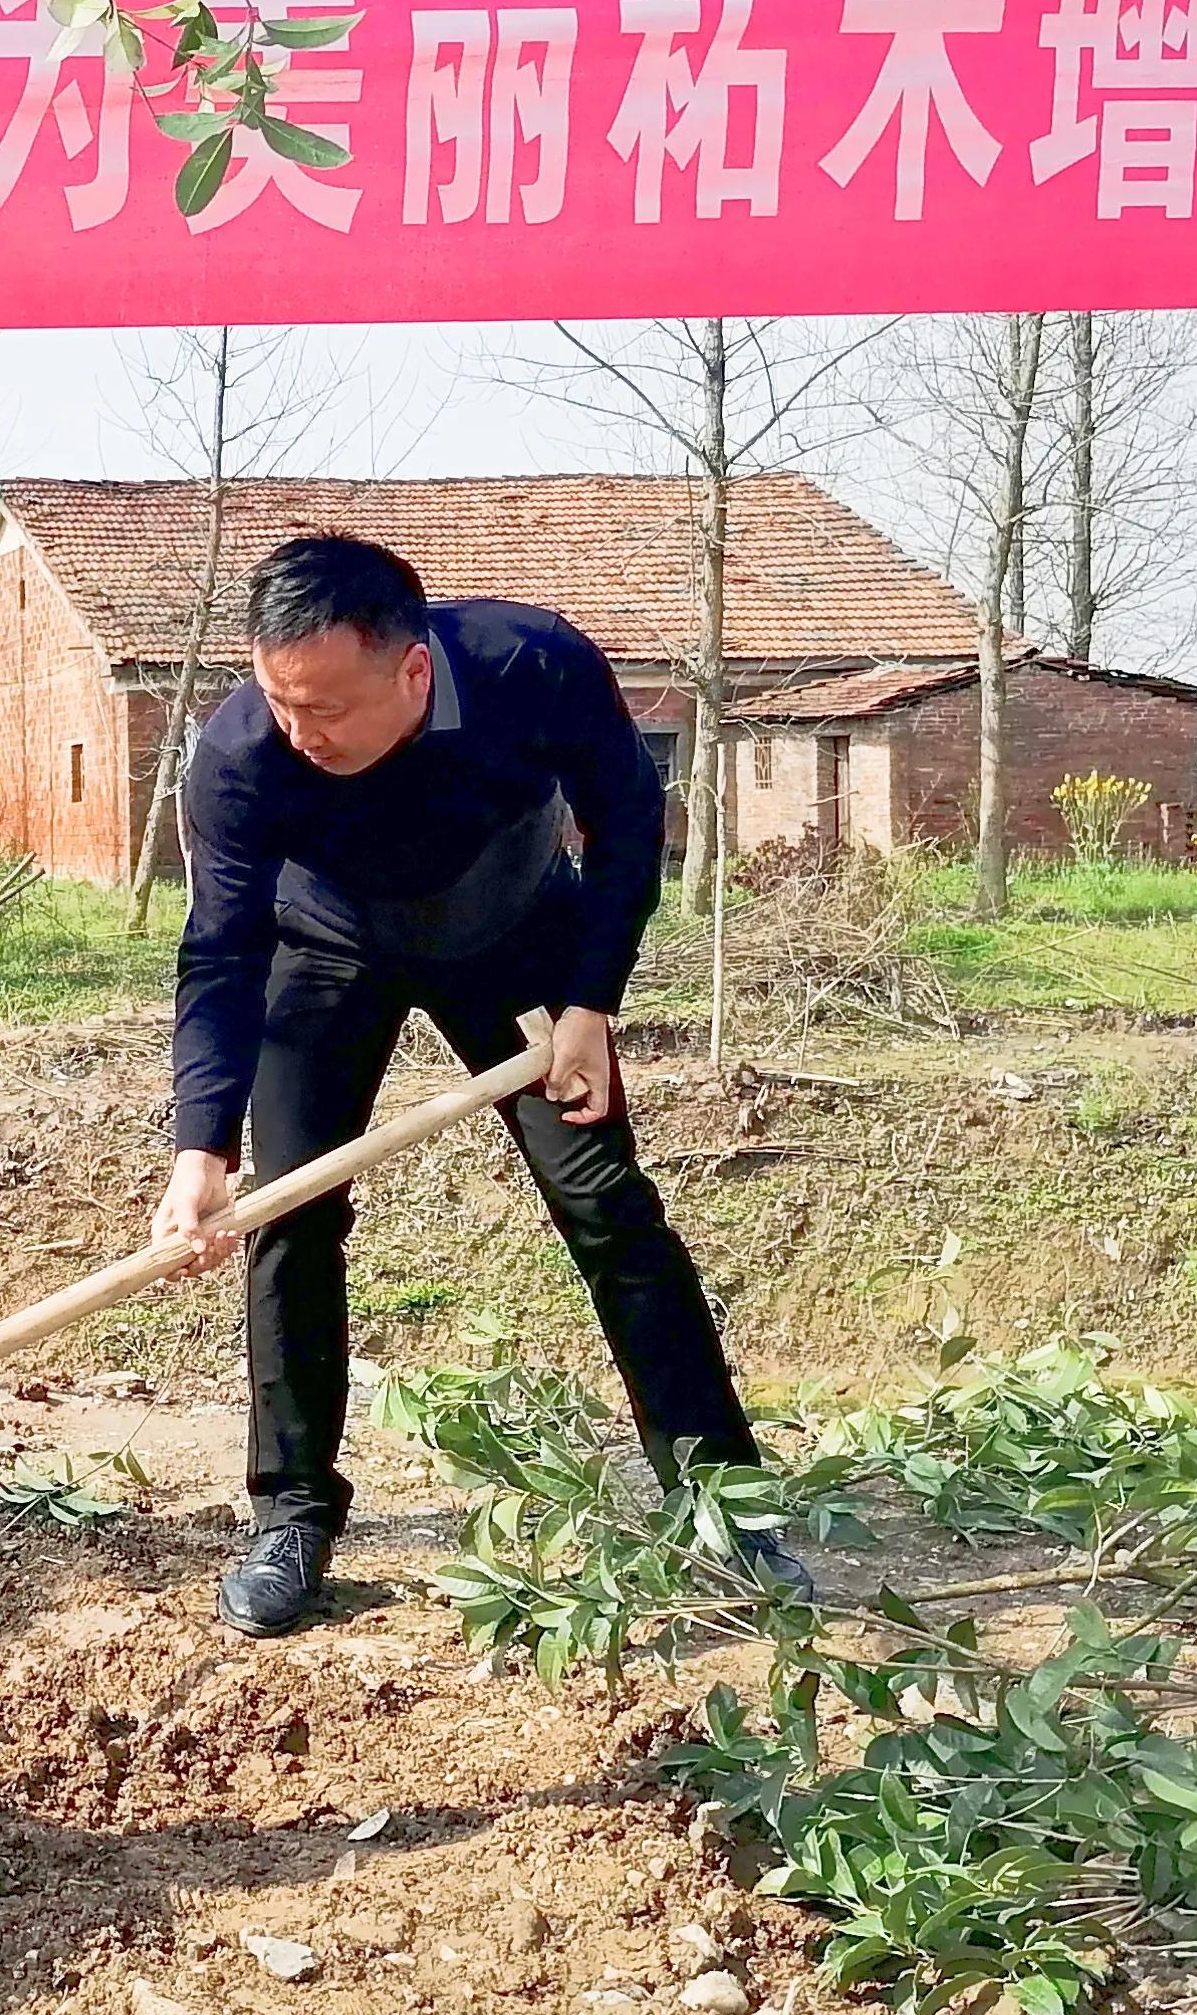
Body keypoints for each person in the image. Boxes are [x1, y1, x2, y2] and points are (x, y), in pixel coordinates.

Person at [150, 535, 800, 1638]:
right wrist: (198, 1149)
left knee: (606, 1206)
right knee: (289, 1218)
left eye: (327, 708)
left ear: (409, 672)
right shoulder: (241, 752)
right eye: (280, 702)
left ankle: (719, 1501)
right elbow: (219, 950)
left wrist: (593, 999)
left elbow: (627, 817)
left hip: (514, 940)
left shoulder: (528, 665)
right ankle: (291, 1516)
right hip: (323, 954)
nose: (302, 734)